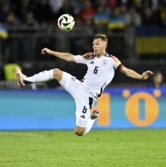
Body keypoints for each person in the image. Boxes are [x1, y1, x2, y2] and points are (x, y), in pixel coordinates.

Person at [15, 34, 153, 136]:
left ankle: (93, 118)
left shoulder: (111, 60)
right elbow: (69, 57)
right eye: (94, 44)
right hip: (79, 86)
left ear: (105, 45)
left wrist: (141, 76)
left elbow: (127, 71)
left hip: (88, 98)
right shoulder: (89, 57)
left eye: (98, 44)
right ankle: (25, 80)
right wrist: (51, 52)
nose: (95, 46)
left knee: (79, 132)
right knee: (56, 72)